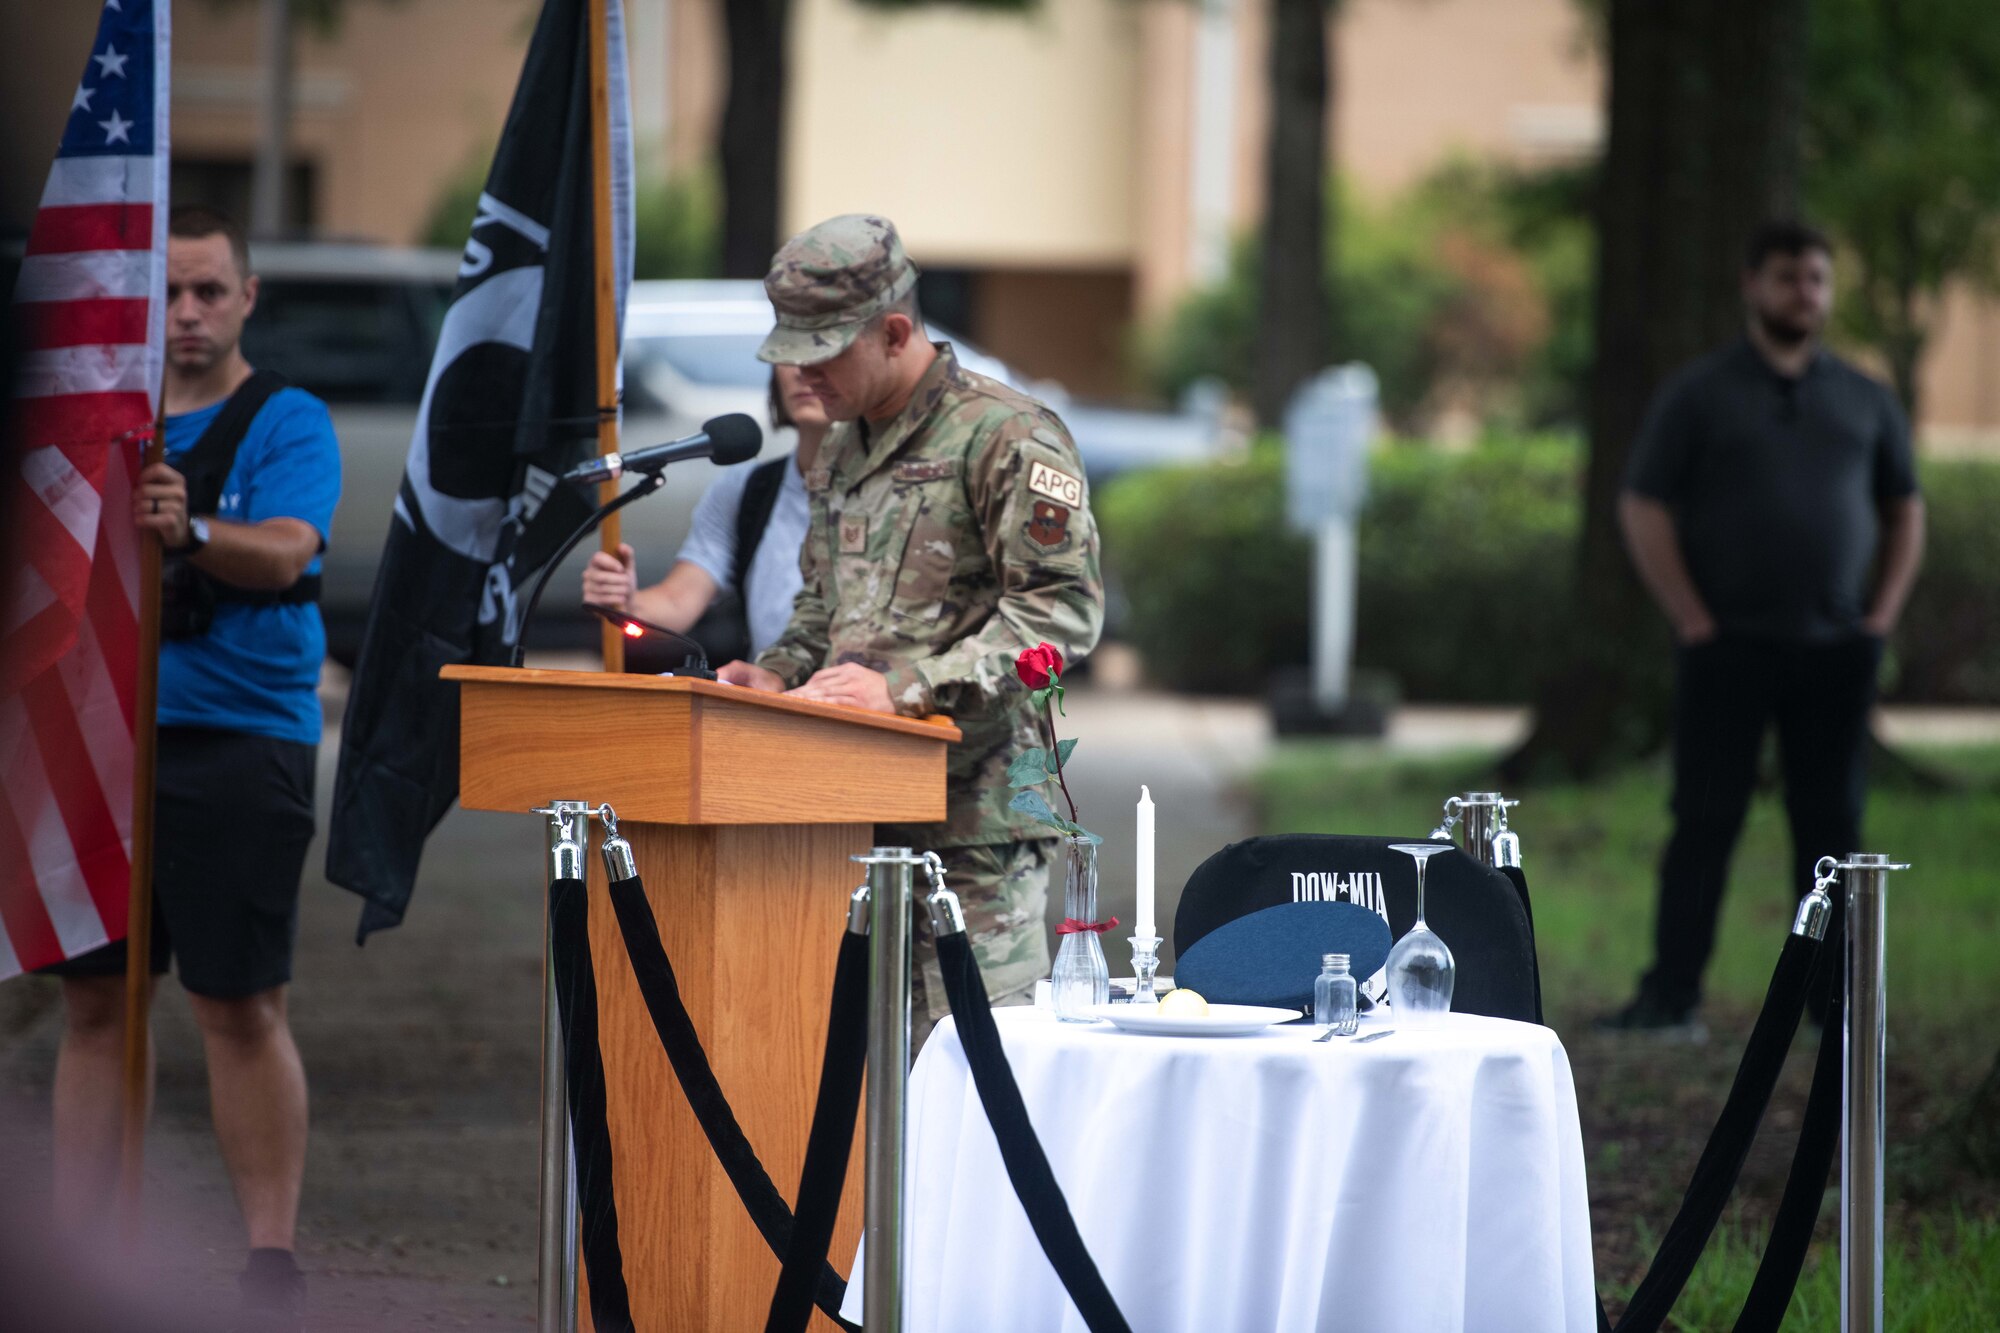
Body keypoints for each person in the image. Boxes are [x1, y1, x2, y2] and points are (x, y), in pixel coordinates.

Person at [42, 206, 340, 1326]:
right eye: (167, 294)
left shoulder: (285, 419)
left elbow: (288, 552)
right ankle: (81, 1245)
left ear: (248, 296)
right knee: (92, 999)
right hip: (99, 738)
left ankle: (269, 1252)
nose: (186, 314)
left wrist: (196, 530)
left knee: (236, 1002)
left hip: (237, 742)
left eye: (210, 291)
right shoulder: (93, 421)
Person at [716, 214, 1105, 1038]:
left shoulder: (1007, 434)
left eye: (823, 353)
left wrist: (906, 690)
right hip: (846, 821)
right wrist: (775, 674)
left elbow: (1059, 615)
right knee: (846, 1102)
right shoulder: (841, 448)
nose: (802, 375)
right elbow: (824, 606)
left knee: (972, 1092)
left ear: (895, 332)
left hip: (973, 836)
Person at [1599, 220, 1924, 1035]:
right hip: (1727, 648)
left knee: (1832, 829)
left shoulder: (1865, 396)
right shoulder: (1699, 393)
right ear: (1751, 285)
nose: (1803, 293)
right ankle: (1671, 998)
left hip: (1836, 651)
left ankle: (1832, 1002)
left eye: (1816, 279)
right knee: (1705, 821)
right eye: (1787, 278)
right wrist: (1691, 616)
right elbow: (1642, 504)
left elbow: (1904, 509)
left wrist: (1879, 616)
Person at [580, 366, 828, 661]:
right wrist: (626, 601)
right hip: (771, 699)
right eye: (788, 349)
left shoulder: (895, 491)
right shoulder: (749, 490)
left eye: (824, 345)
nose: (804, 367)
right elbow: (677, 600)